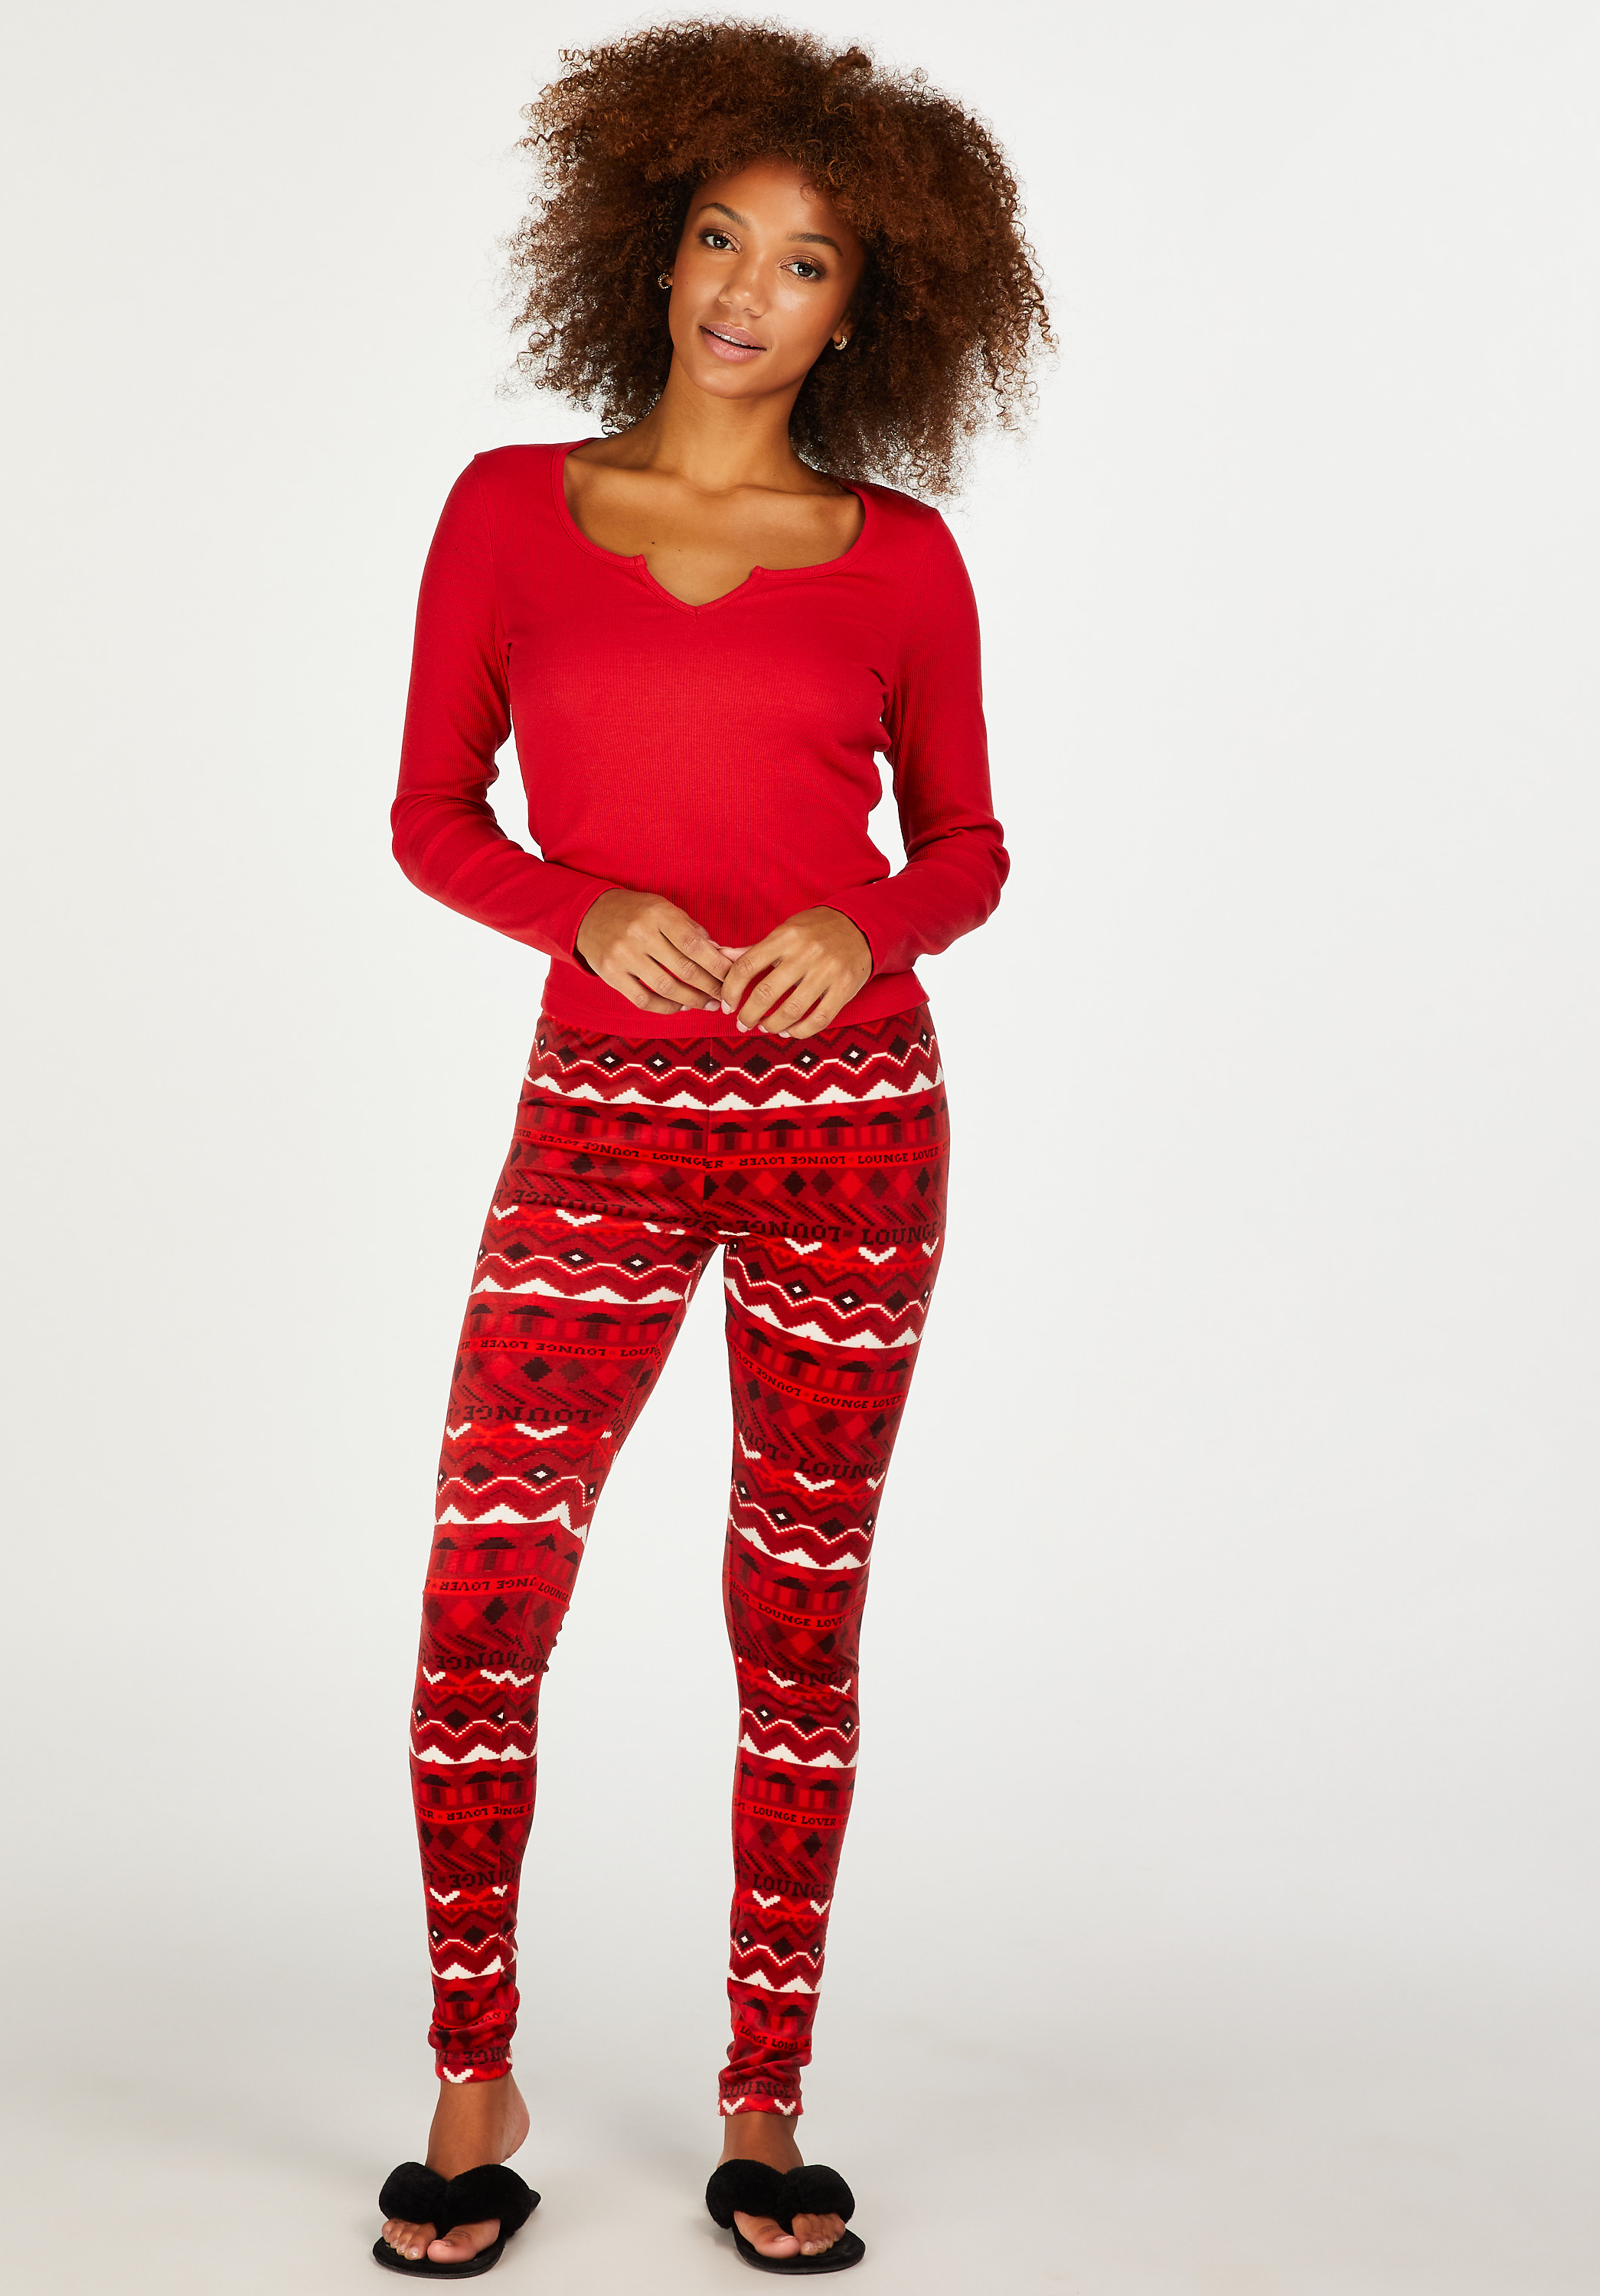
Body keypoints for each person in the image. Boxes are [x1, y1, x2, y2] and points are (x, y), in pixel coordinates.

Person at [372, 21, 1048, 2278]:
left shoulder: (899, 559)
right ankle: (473, 2070)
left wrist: (864, 924)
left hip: (851, 1128)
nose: (749, 289)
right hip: (600, 1117)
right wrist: (582, 913)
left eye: (806, 260)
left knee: (796, 1614)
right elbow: (429, 818)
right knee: (486, 1597)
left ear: (864, 309)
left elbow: (968, 850)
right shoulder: (506, 512)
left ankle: (768, 2098)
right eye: (718, 239)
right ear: (651, 257)